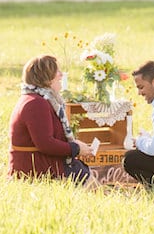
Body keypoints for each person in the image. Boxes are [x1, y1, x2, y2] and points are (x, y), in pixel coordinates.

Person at [8, 55, 96, 185]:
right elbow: (45, 144)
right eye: (57, 71)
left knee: (92, 180)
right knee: (95, 188)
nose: (61, 75)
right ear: (47, 78)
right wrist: (75, 148)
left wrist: (75, 146)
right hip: (38, 169)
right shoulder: (36, 103)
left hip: (45, 163)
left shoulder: (38, 99)